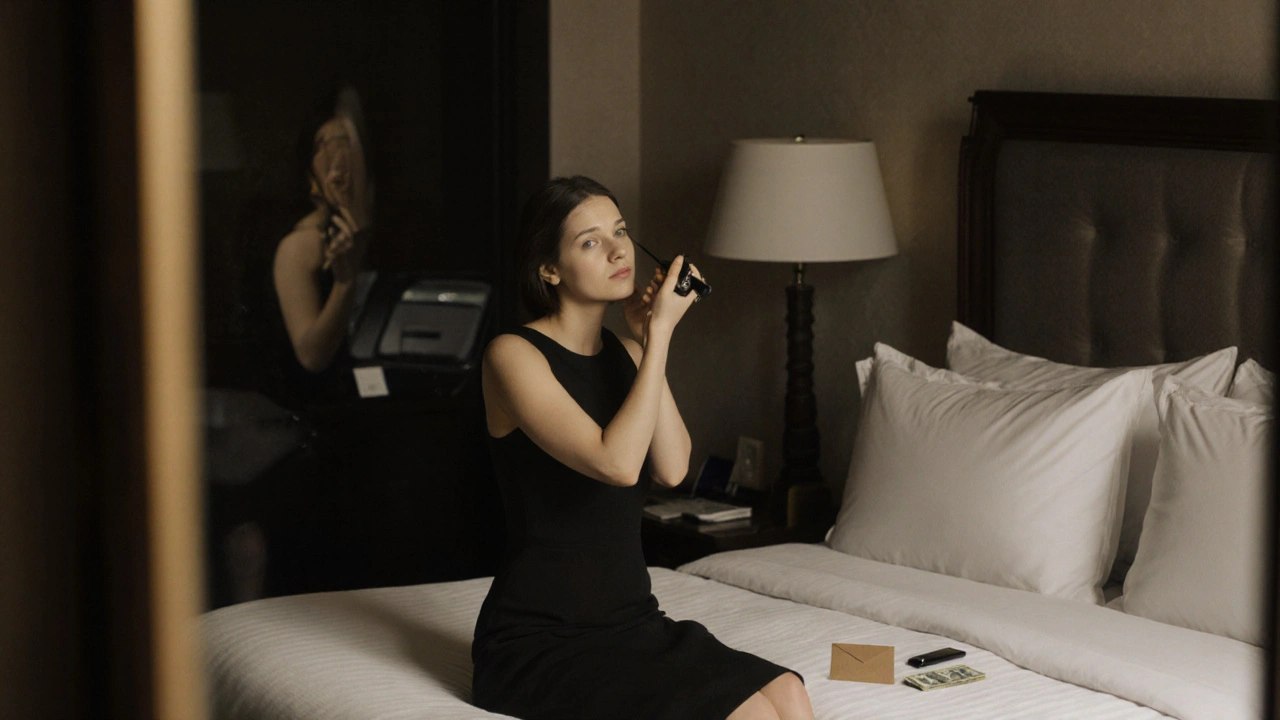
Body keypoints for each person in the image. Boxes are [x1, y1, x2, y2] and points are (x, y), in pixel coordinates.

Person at [471, 176, 814, 720]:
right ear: (549, 269)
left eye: (621, 231)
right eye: (589, 241)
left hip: (630, 620)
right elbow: (617, 463)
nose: (617, 250)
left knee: (790, 696)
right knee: (749, 715)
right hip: (541, 639)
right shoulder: (512, 354)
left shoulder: (629, 352)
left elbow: (674, 467)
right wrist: (655, 339)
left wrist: (650, 343)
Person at [271, 87, 373, 403]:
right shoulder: (301, 246)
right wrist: (344, 282)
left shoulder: (389, 231)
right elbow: (311, 357)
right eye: (322, 146)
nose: (337, 162)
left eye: (346, 143)